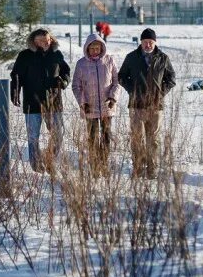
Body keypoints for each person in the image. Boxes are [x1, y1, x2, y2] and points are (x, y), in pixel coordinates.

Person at [116, 27, 176, 179]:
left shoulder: (163, 58)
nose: (148, 45)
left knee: (153, 139)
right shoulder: (131, 57)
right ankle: (137, 168)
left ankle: (152, 169)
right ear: (141, 42)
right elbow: (121, 76)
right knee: (137, 138)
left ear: (155, 43)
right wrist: (132, 90)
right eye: (145, 42)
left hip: (156, 106)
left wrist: (160, 92)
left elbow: (171, 79)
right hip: (136, 105)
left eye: (151, 42)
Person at [9, 28, 70, 172]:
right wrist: (15, 92)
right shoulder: (25, 55)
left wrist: (64, 81)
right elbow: (16, 75)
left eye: (48, 39)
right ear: (34, 41)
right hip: (32, 101)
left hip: (53, 102)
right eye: (42, 40)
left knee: (58, 134)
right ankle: (36, 166)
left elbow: (66, 71)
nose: (46, 42)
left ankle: (50, 160)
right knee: (33, 137)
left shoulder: (56, 54)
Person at [71, 31, 119, 173]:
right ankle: (94, 166)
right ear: (87, 48)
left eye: (97, 48)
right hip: (89, 108)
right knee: (92, 138)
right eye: (91, 48)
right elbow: (76, 86)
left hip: (106, 107)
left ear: (102, 48)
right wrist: (82, 103)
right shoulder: (81, 64)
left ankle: (103, 165)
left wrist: (113, 98)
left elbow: (117, 81)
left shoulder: (109, 61)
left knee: (106, 137)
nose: (94, 51)